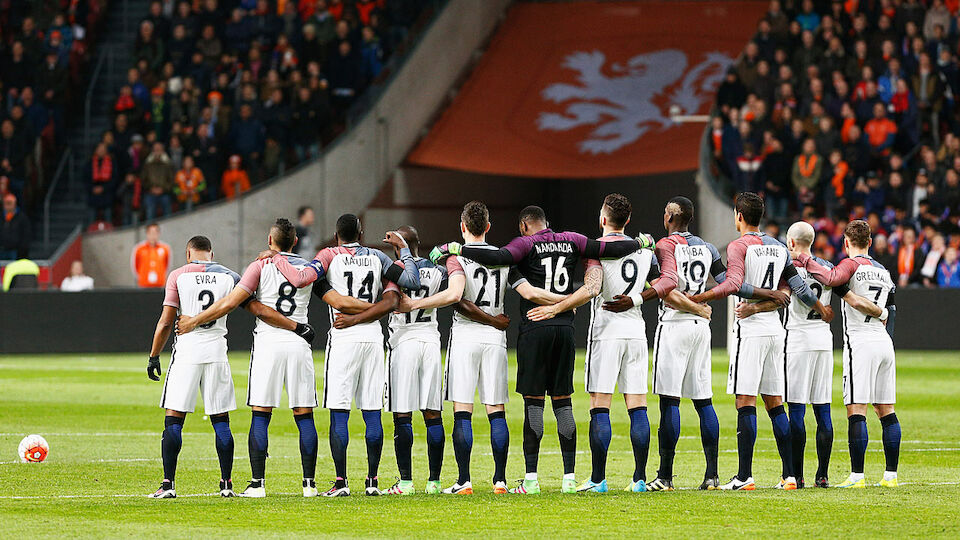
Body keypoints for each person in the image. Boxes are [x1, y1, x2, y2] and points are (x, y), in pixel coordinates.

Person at [430, 205, 648, 494]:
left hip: (534, 326)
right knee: (563, 402)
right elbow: (606, 249)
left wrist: (454, 249)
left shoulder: (525, 244)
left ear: (523, 226)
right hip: (565, 327)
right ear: (548, 223)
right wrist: (641, 243)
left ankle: (530, 480)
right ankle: (569, 479)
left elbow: (499, 258)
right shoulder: (573, 239)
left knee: (533, 404)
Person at [395, 201, 558, 495]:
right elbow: (530, 292)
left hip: (466, 336)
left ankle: (464, 480)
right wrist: (564, 301)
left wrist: (416, 303)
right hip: (495, 340)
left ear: (462, 227)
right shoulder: (504, 257)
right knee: (497, 411)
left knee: (463, 411)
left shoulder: (456, 258)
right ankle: (500, 481)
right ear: (488, 227)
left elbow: (456, 294)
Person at [267, 214, 421, 497]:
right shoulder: (377, 256)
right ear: (361, 233)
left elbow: (301, 279)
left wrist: (277, 256)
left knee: (340, 412)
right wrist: (404, 249)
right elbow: (411, 281)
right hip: (373, 337)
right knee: (372, 411)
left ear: (336, 234)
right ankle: (373, 481)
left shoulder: (329, 254)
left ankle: (341, 482)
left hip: (343, 335)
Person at [149, 234, 314, 499]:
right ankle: (227, 484)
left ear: (188, 254)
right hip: (217, 352)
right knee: (221, 421)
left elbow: (166, 321)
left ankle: (168, 485)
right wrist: (295, 326)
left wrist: (154, 355)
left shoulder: (178, 275)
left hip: (188, 351)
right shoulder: (230, 277)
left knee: (174, 419)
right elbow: (258, 308)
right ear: (211, 255)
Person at [521, 194, 666, 493]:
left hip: (607, 331)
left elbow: (592, 288)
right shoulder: (645, 252)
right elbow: (663, 284)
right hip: (637, 330)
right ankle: (639, 479)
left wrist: (556, 307)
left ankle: (598, 479)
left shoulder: (596, 250)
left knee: (600, 406)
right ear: (627, 220)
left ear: (603, 219)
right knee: (638, 406)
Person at [689, 192, 832, 491]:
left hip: (750, 331)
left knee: (745, 401)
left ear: (739, 215)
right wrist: (820, 308)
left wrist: (701, 297)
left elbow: (734, 284)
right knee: (775, 403)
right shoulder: (780, 247)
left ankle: (744, 476)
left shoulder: (738, 246)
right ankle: (790, 476)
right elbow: (798, 290)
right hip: (776, 332)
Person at [736, 221, 883, 488]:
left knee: (796, 410)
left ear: (791, 243)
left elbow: (784, 296)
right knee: (823, 409)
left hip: (798, 339)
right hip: (823, 340)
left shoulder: (790, 269)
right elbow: (846, 293)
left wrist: (753, 310)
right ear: (812, 242)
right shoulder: (827, 268)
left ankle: (797, 474)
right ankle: (823, 475)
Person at [794, 220, 900, 488]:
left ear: (846, 243)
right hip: (884, 342)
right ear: (871, 242)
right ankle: (891, 476)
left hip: (860, 343)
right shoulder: (884, 271)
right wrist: (883, 319)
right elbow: (892, 310)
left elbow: (831, 279)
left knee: (857, 410)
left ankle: (857, 476)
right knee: (886, 410)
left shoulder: (851, 265)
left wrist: (804, 258)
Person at [378, 226, 447, 495]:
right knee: (433, 415)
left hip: (403, 342)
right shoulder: (438, 270)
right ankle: (434, 482)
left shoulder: (393, 270)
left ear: (399, 246)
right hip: (430, 340)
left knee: (402, 415)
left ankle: (405, 483)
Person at [132, 223, 171, 288]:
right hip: (143, 284)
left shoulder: (165, 248)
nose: (153, 236)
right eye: (151, 233)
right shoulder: (139, 248)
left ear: (159, 233)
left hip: (160, 284)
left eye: (155, 233)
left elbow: (167, 265)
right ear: (147, 233)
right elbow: (135, 266)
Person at [1, 193, 30, 260]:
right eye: (6, 203)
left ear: (15, 204)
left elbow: (26, 235)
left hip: (15, 251)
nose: (8, 205)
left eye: (10, 203)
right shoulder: (1, 217)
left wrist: (22, 251)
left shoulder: (22, 218)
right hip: (2, 250)